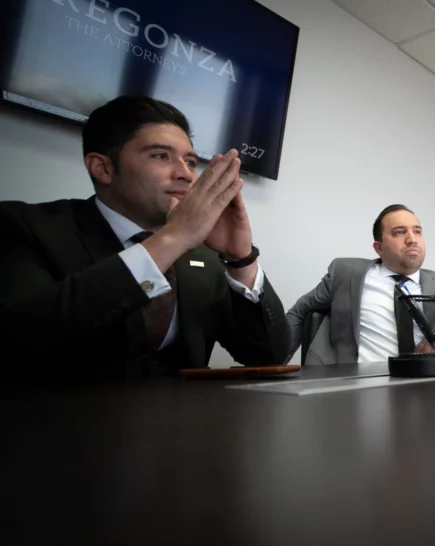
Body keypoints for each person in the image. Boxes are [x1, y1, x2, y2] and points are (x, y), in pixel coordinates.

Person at [0, 96, 291, 379]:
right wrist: (173, 239)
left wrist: (241, 259)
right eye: (161, 156)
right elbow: (18, 339)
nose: (186, 174)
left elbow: (269, 356)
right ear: (103, 168)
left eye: (190, 161)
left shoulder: (204, 256)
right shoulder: (25, 226)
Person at [286, 204, 435, 364]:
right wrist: (273, 363)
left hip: (428, 389)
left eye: (417, 231)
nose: (412, 239)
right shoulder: (346, 274)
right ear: (379, 248)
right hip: (356, 386)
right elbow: (300, 311)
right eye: (399, 232)